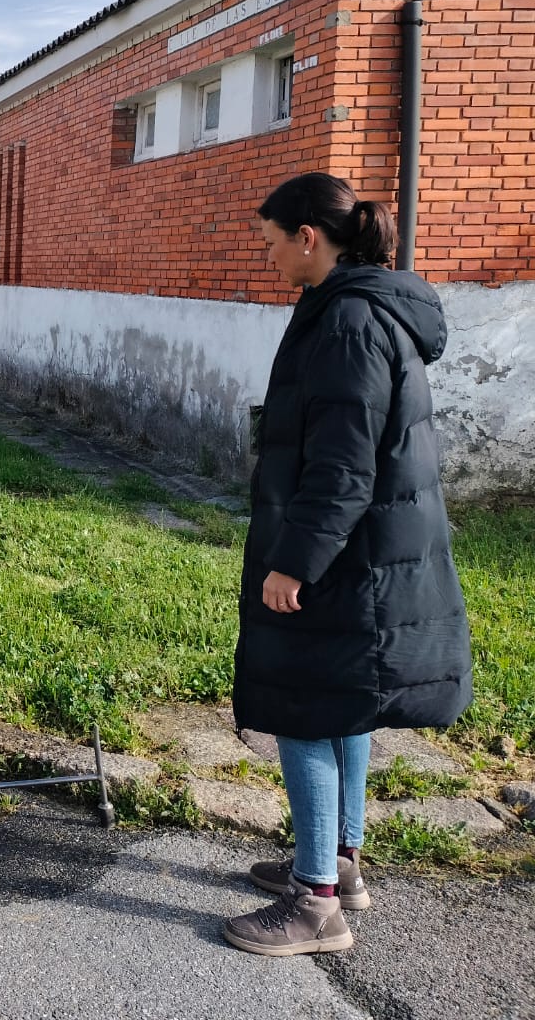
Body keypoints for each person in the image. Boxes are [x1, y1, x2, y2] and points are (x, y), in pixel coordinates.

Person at [225, 173, 471, 956]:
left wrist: (293, 563)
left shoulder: (349, 324)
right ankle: (339, 862)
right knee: (343, 705)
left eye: (270, 242)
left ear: (309, 238)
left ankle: (315, 905)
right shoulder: (358, 309)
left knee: (304, 708)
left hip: (345, 559)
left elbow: (343, 467)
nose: (267, 258)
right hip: (365, 556)